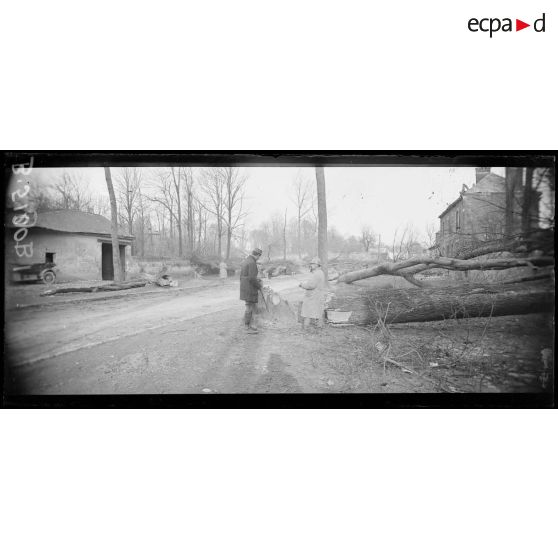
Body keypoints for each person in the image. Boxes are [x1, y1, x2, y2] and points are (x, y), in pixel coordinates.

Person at [299, 256, 327, 329]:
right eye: (311, 263)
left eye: (313, 264)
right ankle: (319, 327)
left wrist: (302, 285)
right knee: (318, 312)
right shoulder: (319, 272)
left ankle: (305, 328)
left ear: (318, 265)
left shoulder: (317, 274)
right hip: (316, 296)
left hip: (313, 296)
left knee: (307, 313)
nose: (311, 265)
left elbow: (311, 286)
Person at [240, 248, 263, 334]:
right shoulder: (252, 263)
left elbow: (245, 276)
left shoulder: (246, 260)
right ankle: (246, 327)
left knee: (249, 306)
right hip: (249, 288)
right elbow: (252, 278)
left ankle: (248, 325)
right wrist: (259, 286)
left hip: (245, 287)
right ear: (257, 255)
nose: (259, 258)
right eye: (259, 257)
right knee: (249, 308)